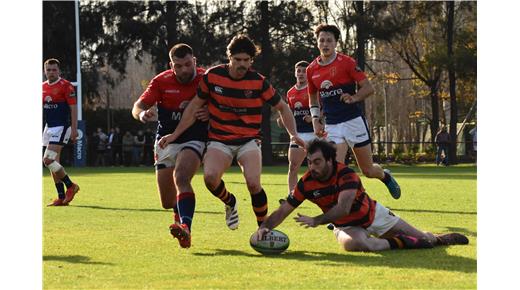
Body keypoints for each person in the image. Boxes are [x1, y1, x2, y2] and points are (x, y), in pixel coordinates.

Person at [159, 34, 304, 232]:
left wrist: (293, 134)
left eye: (246, 60)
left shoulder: (259, 82)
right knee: (210, 178)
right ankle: (230, 201)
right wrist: (175, 135)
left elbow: (283, 107)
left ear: (251, 61)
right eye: (237, 60)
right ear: (229, 58)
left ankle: (263, 230)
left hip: (249, 140)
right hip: (219, 140)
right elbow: (194, 107)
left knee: (253, 183)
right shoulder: (213, 76)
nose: (242, 64)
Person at [253, 139, 469, 252]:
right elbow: (283, 210)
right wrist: (264, 227)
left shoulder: (346, 175)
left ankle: (436, 238)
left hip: (374, 215)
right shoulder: (307, 182)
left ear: (330, 160)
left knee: (426, 240)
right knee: (357, 245)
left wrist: (317, 220)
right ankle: (403, 243)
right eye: (309, 162)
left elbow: (343, 208)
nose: (312, 167)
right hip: (346, 226)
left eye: (317, 162)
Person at [307, 24, 401, 199]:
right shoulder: (311, 69)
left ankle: (385, 176)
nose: (325, 44)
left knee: (368, 170)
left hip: (353, 121)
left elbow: (368, 88)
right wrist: (315, 118)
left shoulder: (347, 63)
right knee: (334, 170)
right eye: (321, 40)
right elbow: (312, 97)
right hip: (332, 125)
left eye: (329, 40)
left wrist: (354, 97)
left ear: (336, 43)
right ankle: (343, 210)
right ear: (317, 43)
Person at [132, 43, 209, 248]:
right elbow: (137, 106)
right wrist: (141, 114)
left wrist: (210, 112)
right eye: (178, 66)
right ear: (171, 65)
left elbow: (225, 105)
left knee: (181, 177)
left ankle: (186, 227)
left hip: (194, 137)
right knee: (167, 201)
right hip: (165, 140)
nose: (184, 70)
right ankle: (179, 215)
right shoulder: (161, 81)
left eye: (187, 64)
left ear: (194, 61)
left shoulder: (206, 79)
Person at [42, 58, 80, 206]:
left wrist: (74, 129)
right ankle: (61, 197)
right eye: (49, 70)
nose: (51, 72)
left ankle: (71, 186)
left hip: (62, 127)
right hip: (49, 127)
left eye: (54, 69)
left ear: (59, 71)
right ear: (45, 71)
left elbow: (73, 108)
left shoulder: (66, 86)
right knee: (53, 163)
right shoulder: (42, 87)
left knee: (48, 160)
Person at [276, 61, 317, 198]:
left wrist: (314, 118)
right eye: (298, 71)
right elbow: (289, 112)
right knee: (293, 167)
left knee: (317, 167)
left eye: (304, 71)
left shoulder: (313, 89)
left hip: (314, 133)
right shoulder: (290, 92)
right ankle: (292, 196)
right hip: (298, 133)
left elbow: (323, 110)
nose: (300, 74)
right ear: (295, 73)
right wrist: (283, 120)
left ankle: (320, 194)